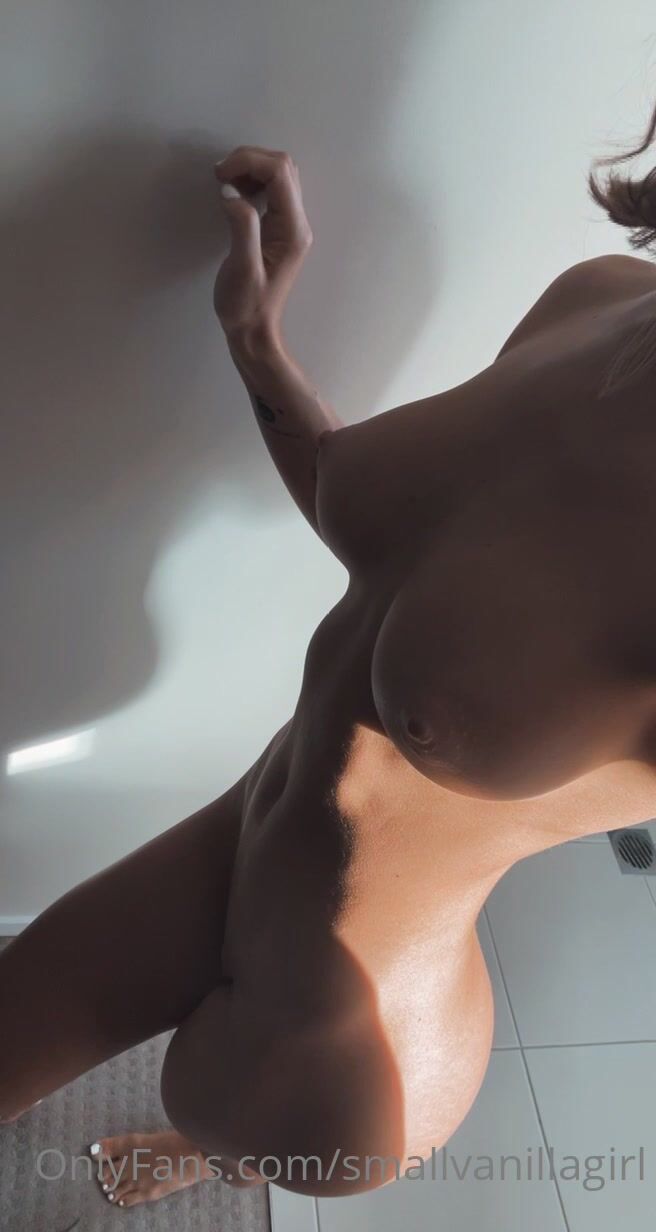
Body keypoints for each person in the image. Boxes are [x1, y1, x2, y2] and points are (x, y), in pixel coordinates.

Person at [3, 102, 656, 1209]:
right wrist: (254, 339)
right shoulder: (597, 298)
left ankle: (204, 1152)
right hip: (237, 838)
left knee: (229, 1129)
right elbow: (412, 553)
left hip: (339, 1053)